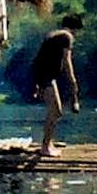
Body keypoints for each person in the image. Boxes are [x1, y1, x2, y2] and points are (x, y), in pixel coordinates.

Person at [29, 16, 82, 155]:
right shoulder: (66, 37)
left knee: (55, 111)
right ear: (74, 28)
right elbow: (67, 60)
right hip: (45, 75)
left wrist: (36, 83)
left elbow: (40, 58)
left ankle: (48, 142)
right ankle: (45, 147)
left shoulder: (54, 35)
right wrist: (73, 81)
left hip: (44, 74)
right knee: (56, 110)